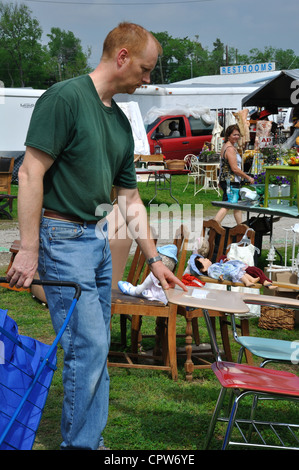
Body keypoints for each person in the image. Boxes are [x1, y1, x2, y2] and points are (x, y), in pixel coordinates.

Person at [6, 22, 187, 450]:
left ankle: (90, 439)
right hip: (62, 238)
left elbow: (130, 199)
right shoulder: (65, 98)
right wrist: (29, 250)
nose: (148, 79)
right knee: (87, 348)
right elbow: (31, 174)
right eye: (145, 69)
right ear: (122, 56)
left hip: (97, 239)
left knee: (95, 346)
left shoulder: (120, 123)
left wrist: (156, 259)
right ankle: (82, 445)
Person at [214, 125, 254, 225]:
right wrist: (248, 177)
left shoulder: (227, 146)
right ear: (228, 136)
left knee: (237, 206)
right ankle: (213, 226)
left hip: (227, 180)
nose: (236, 136)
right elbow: (235, 168)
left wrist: (220, 180)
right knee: (227, 204)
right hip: (230, 181)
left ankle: (241, 228)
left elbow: (222, 166)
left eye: (238, 134)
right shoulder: (230, 149)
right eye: (234, 134)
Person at [193, 255, 277, 289]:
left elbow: (220, 267)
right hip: (230, 272)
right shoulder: (211, 270)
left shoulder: (212, 267)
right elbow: (217, 274)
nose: (207, 259)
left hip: (230, 270)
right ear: (203, 269)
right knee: (242, 273)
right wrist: (221, 276)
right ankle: (249, 282)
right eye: (204, 260)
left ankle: (252, 280)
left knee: (244, 273)